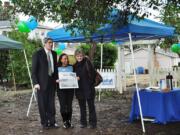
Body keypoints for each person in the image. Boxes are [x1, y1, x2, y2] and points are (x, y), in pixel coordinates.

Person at [32, 37, 59, 130]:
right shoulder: (37, 54)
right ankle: (44, 123)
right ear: (44, 43)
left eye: (52, 43)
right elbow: (34, 71)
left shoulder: (54, 54)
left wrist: (57, 79)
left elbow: (55, 69)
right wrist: (36, 83)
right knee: (43, 104)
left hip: (52, 83)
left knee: (51, 103)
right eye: (49, 43)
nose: (51, 44)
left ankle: (52, 122)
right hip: (41, 84)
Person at [73, 49, 97, 129]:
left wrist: (89, 84)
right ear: (75, 57)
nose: (79, 57)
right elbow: (72, 77)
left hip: (88, 89)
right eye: (77, 56)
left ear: (83, 56)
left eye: (80, 56)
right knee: (82, 107)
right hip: (79, 90)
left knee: (91, 107)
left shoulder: (87, 62)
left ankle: (93, 123)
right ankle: (83, 123)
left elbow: (93, 74)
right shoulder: (75, 66)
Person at [57, 53, 74, 129]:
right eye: (64, 59)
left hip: (70, 90)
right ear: (61, 60)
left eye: (67, 58)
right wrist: (56, 80)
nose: (66, 60)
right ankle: (64, 121)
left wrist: (76, 78)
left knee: (69, 106)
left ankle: (69, 121)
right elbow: (54, 78)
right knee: (63, 106)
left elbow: (75, 76)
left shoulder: (71, 67)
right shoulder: (57, 68)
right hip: (61, 90)